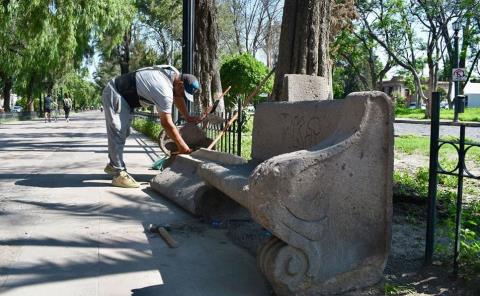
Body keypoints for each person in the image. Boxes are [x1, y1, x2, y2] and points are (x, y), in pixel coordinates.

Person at [102, 65, 200, 188]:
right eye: (183, 92)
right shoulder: (164, 89)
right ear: (180, 84)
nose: (183, 96)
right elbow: (167, 124)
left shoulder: (173, 74)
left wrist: (187, 117)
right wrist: (183, 148)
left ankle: (112, 165)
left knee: (124, 132)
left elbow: (178, 96)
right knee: (118, 132)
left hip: (126, 98)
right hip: (115, 92)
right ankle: (118, 173)